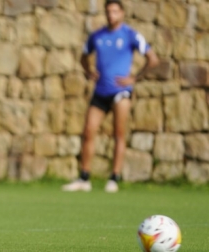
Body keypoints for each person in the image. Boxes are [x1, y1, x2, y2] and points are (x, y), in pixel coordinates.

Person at [62, 0, 158, 193]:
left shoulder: (130, 35)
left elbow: (153, 59)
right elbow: (83, 56)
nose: (111, 15)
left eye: (115, 11)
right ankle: (84, 178)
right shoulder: (97, 36)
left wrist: (134, 78)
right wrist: (89, 72)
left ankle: (114, 178)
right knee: (88, 131)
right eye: (108, 11)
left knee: (118, 133)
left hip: (120, 92)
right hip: (100, 91)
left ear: (122, 13)